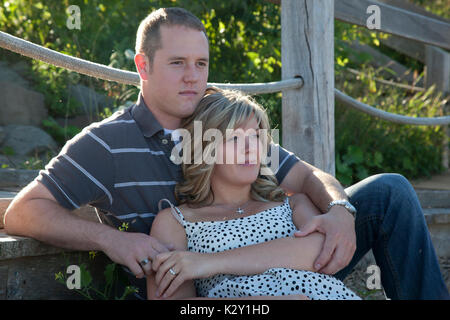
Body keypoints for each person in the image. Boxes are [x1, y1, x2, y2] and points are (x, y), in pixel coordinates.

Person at [3, 7, 448, 300]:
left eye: (201, 63)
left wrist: (338, 209)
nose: (193, 77)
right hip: (217, 288)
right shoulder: (107, 142)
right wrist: (114, 240)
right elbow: (22, 213)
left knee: (389, 191)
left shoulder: (221, 119)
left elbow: (307, 176)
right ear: (143, 66)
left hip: (286, 257)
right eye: (177, 63)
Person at [147, 87, 361, 300]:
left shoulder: (292, 204)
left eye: (256, 135)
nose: (250, 147)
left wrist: (209, 262)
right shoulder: (175, 222)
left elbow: (322, 252)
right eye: (235, 138)